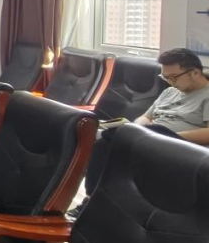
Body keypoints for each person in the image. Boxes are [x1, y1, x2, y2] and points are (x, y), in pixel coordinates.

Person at [82, 47, 209, 202]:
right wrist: (140, 128)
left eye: (173, 77)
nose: (170, 82)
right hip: (151, 136)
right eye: (165, 77)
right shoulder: (170, 92)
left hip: (175, 142)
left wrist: (166, 136)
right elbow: (146, 116)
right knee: (103, 145)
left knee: (124, 137)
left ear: (195, 73)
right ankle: (92, 198)